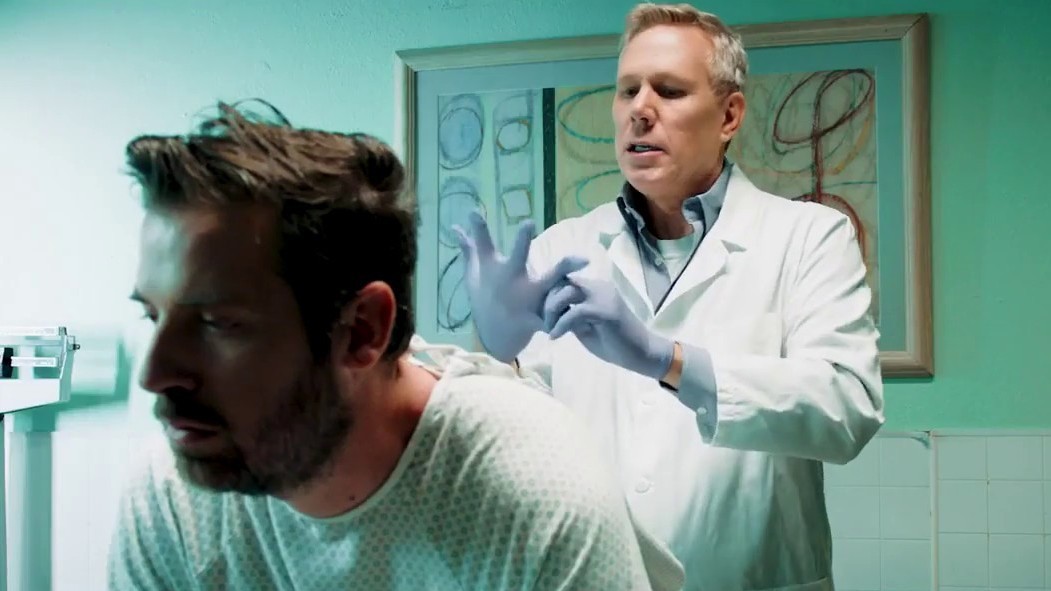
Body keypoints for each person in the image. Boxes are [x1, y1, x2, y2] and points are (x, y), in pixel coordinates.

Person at [106, 100, 685, 591]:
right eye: (153, 315)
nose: (154, 373)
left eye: (218, 323)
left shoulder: (535, 492)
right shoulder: (175, 502)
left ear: (361, 331)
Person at [455, 3, 885, 590]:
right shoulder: (562, 248)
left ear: (729, 115)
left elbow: (846, 409)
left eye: (670, 90)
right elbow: (517, 447)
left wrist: (667, 360)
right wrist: (498, 354)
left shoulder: (809, 237)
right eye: (627, 90)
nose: (640, 109)